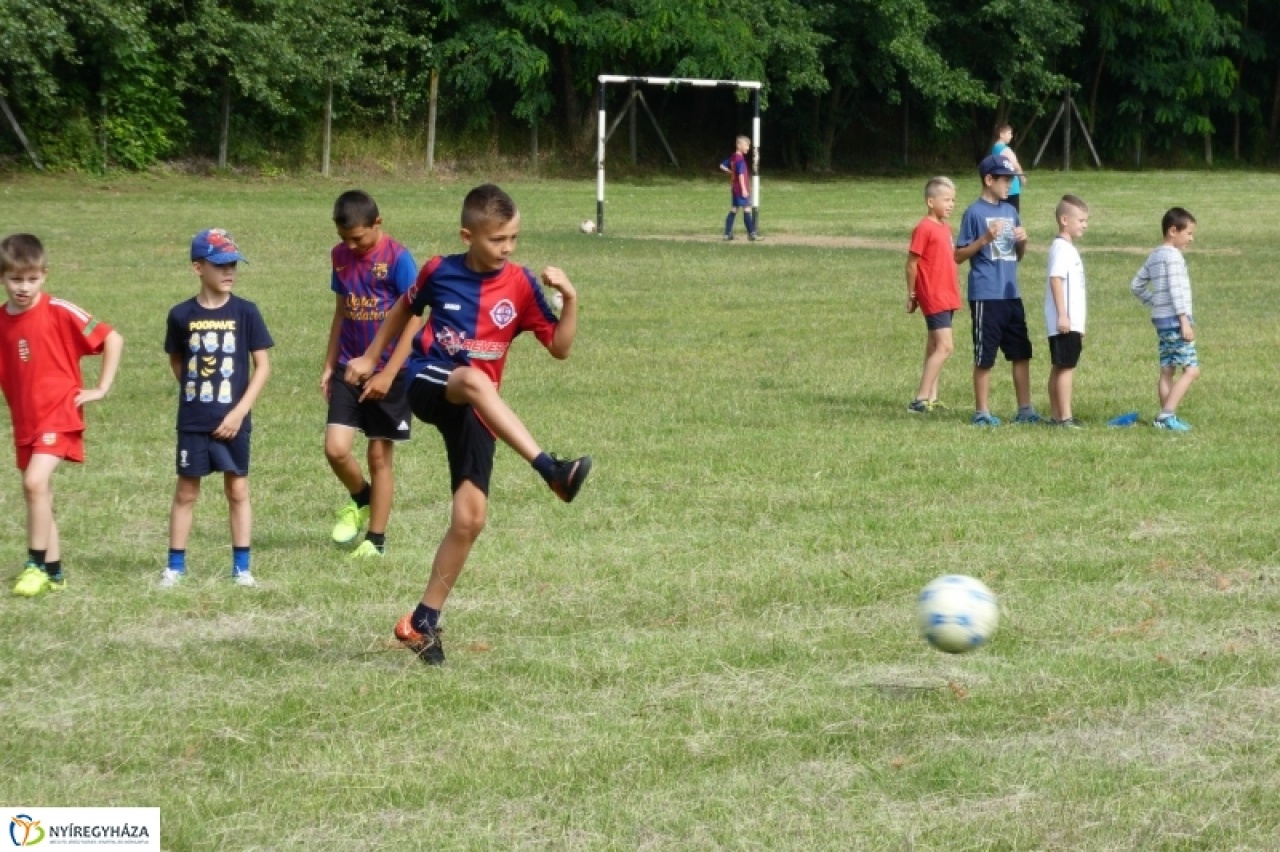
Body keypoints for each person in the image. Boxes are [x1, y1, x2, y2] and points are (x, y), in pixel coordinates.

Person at [345, 183, 591, 666]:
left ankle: (421, 622)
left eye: (514, 238)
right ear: (468, 235)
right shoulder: (440, 270)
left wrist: (571, 298)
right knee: (476, 380)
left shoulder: (519, 284)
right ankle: (550, 470)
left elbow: (560, 349)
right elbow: (403, 309)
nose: (508, 248)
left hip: (479, 406)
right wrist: (373, 357)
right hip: (431, 383)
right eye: (498, 239)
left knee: (470, 518)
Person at [0, 234, 124, 597]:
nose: (24, 287)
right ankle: (55, 573)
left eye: (32, 279)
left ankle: (34, 565)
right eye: (16, 279)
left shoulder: (58, 310)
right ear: (3, 278)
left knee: (35, 484)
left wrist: (101, 387)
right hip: (26, 421)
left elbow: (112, 338)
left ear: (45, 275)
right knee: (40, 495)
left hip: (59, 415)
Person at [161, 229, 274, 587]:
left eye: (234, 265)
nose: (230, 272)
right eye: (221, 265)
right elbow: (179, 361)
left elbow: (263, 367)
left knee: (238, 491)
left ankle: (242, 568)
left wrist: (238, 412)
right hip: (193, 421)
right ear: (198, 267)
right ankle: (175, 567)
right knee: (186, 492)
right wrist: (197, 396)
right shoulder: (181, 315)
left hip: (234, 421)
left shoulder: (246, 312)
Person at [322, 190, 421, 558]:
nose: (351, 245)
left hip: (390, 373)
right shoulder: (340, 257)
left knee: (379, 456)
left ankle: (375, 540)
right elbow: (341, 311)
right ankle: (362, 496)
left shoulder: (399, 259)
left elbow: (413, 319)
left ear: (378, 224)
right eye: (344, 238)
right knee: (336, 449)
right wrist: (330, 363)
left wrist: (389, 373)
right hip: (350, 366)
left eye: (358, 238)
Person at [954, 154, 1040, 426]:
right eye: (1005, 180)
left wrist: (1022, 242)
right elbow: (958, 255)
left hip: (1010, 293)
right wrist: (985, 239)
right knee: (985, 355)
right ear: (988, 179)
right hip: (986, 294)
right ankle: (982, 412)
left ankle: (1025, 409)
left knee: (1021, 352)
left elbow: (1018, 256)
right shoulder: (974, 213)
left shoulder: (1010, 212)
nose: (1009, 186)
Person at [1129, 207, 1199, 431]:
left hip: (1161, 321)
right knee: (1191, 370)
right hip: (1176, 322)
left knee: (1167, 369)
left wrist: (1156, 302)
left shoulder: (1156, 255)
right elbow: (1177, 291)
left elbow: (1136, 285)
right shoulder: (1174, 257)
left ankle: (1167, 418)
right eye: (1188, 233)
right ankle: (1165, 416)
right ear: (1173, 231)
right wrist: (1184, 321)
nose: (1191, 238)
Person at [905, 177, 962, 413]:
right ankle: (919, 399)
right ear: (931, 201)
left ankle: (931, 398)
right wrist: (912, 293)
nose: (951, 204)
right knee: (945, 347)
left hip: (948, 293)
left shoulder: (945, 228)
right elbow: (911, 263)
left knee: (933, 346)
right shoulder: (924, 228)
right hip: (934, 294)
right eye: (946, 200)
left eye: (953, 200)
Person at [1044, 195, 1090, 428]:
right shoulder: (1062, 249)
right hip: (1065, 321)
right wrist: (1063, 315)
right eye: (1080, 220)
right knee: (1066, 368)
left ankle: (1056, 415)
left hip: (1070, 322)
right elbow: (1056, 279)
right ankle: (1065, 417)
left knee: (1060, 365)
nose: (1084, 224)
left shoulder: (1066, 248)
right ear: (1064, 220)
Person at [719, 136, 759, 241]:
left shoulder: (733, 158)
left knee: (734, 209)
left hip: (734, 188)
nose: (748, 147)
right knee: (747, 209)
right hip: (741, 189)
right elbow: (741, 175)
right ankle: (752, 233)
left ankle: (727, 234)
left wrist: (730, 172)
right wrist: (744, 189)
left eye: (749, 145)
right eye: (746, 145)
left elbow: (722, 166)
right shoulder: (740, 159)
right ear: (738, 145)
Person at [991, 124, 1027, 213]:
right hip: (1011, 188)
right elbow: (1016, 165)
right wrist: (1022, 178)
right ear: (1001, 134)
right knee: (1012, 214)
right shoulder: (1005, 149)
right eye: (1009, 133)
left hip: (1002, 185)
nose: (1011, 136)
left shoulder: (995, 148)